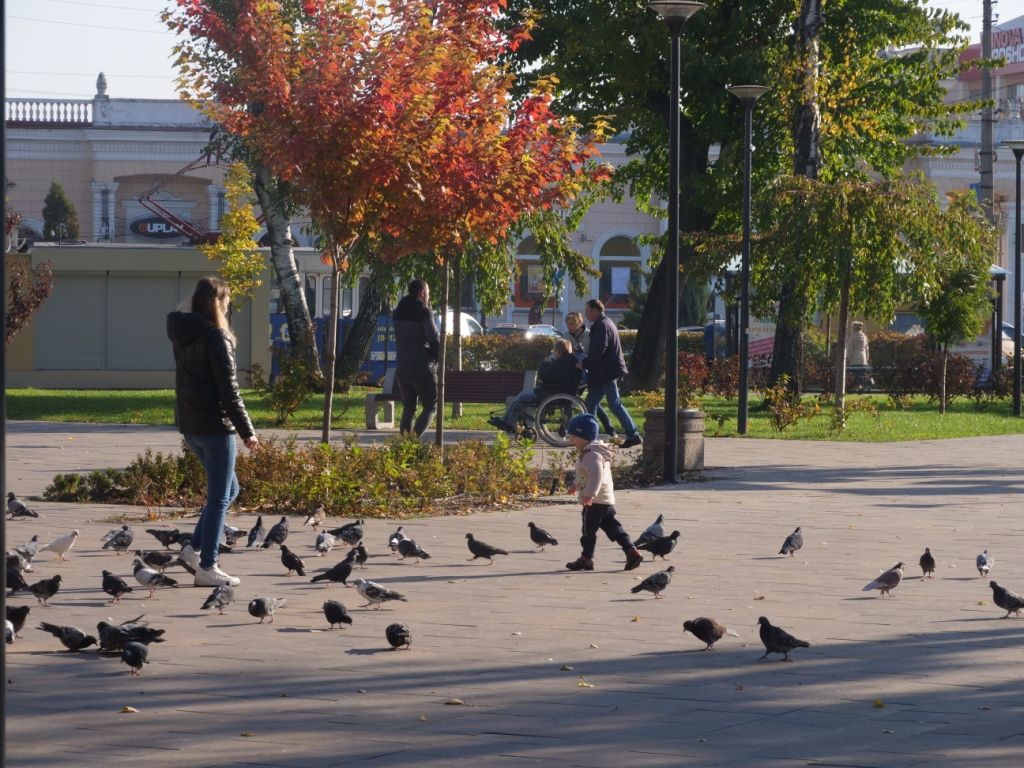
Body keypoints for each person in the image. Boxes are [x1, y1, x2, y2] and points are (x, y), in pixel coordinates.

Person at [167, 277, 258, 588]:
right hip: (215, 428)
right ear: (218, 303)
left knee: (230, 490)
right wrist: (248, 431)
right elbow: (229, 392)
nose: (230, 306)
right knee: (220, 498)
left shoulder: (183, 334)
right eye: (228, 301)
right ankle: (208, 566)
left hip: (191, 426)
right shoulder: (216, 338)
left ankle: (193, 550)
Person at [564, 413, 644, 572]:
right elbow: (584, 475)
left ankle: (586, 558)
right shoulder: (594, 451)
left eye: (574, 436)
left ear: (584, 436)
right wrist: (575, 485)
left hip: (595, 502)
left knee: (588, 531)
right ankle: (631, 551)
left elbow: (595, 476)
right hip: (606, 501)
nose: (571, 439)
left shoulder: (591, 455)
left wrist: (589, 494)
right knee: (614, 528)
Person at [579, 299, 641, 448]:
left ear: (595, 310)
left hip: (607, 372)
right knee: (590, 404)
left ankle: (633, 434)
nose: (586, 314)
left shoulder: (601, 325)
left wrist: (585, 363)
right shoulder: (606, 323)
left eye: (587, 310)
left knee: (614, 404)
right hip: (602, 373)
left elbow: (599, 349)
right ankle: (589, 437)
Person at [489, 338, 580, 431]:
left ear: (557, 352)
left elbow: (547, 375)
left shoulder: (563, 362)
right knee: (523, 395)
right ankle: (507, 420)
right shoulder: (568, 360)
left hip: (551, 394)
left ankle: (508, 422)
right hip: (554, 392)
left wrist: (546, 363)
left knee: (523, 397)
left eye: (554, 351)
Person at [392, 278, 440, 436]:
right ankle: (413, 440)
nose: (428, 297)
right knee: (431, 406)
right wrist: (438, 358)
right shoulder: (423, 311)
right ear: (422, 293)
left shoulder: (398, 311)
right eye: (428, 294)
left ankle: (404, 445)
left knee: (409, 408)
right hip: (422, 367)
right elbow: (433, 338)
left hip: (403, 368)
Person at [565, 311, 616, 440]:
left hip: (589, 373)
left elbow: (594, 353)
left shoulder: (589, 335)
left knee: (591, 403)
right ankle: (568, 428)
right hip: (575, 374)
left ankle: (609, 429)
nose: (569, 327)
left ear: (579, 323)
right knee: (581, 401)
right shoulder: (566, 336)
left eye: (572, 324)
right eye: (568, 324)